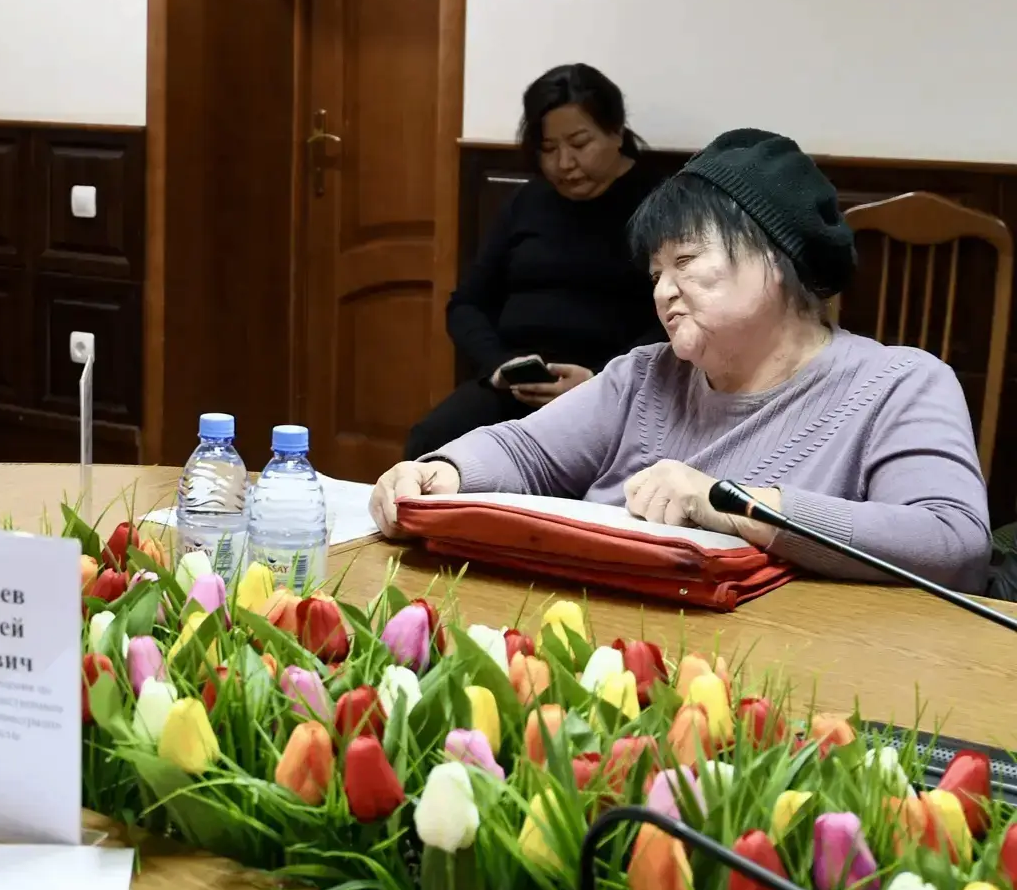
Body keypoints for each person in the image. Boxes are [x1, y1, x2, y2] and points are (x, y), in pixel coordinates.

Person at [371, 129, 993, 591]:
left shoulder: (899, 384)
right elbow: (525, 451)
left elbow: (952, 542)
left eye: (686, 262)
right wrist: (444, 472)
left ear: (778, 259)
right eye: (655, 273)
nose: (663, 291)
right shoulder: (643, 376)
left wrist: (731, 503)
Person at [404, 64, 662, 461]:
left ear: (616, 132)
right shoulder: (527, 202)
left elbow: (674, 320)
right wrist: (500, 365)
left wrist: (601, 379)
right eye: (548, 149)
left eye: (580, 143)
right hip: (517, 385)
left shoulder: (660, 204)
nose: (565, 163)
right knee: (432, 442)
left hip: (611, 390)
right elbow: (466, 304)